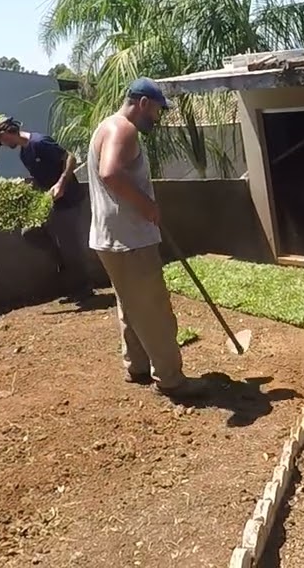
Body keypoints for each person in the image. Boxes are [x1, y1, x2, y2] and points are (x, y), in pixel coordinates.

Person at [86, 77, 205, 399]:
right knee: (154, 310)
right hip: (130, 240)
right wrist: (146, 205)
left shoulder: (104, 127)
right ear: (142, 103)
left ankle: (137, 365)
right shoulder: (123, 129)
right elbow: (110, 172)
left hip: (110, 238)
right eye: (157, 110)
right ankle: (171, 380)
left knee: (130, 303)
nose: (157, 117)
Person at [0, 116, 92, 301]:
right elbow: (40, 179)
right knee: (30, 232)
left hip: (68, 199)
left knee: (70, 246)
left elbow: (70, 158)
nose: (3, 145)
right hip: (49, 202)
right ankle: (62, 262)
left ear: (5, 133)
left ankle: (83, 289)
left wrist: (61, 183)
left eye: (1, 141)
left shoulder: (39, 142)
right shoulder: (24, 154)